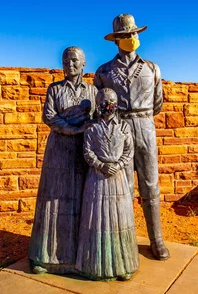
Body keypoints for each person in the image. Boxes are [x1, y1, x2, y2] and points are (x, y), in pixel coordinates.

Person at [94, 14, 170, 260]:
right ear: (117, 40)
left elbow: (157, 104)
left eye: (135, 33)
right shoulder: (104, 71)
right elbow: (99, 104)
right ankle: (125, 240)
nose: (132, 38)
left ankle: (156, 239)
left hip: (145, 126)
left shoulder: (151, 68)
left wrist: (142, 118)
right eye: (127, 35)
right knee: (123, 187)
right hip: (119, 128)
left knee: (151, 185)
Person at [28, 46, 98, 274]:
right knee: (53, 199)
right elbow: (49, 116)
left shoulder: (92, 91)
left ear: (84, 64)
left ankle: (78, 256)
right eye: (66, 60)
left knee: (80, 199)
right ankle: (46, 257)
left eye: (75, 60)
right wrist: (71, 128)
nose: (70, 64)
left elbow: (97, 118)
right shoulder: (54, 89)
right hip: (59, 149)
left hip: (82, 150)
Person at [76, 88, 139, 281]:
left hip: (117, 178)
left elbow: (129, 151)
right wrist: (101, 165)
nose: (108, 104)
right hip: (97, 178)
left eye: (111, 101)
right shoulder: (92, 128)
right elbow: (87, 152)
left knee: (119, 218)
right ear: (97, 104)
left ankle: (123, 265)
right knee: (97, 218)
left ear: (117, 103)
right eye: (103, 101)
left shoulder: (124, 127)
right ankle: (95, 266)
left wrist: (117, 165)